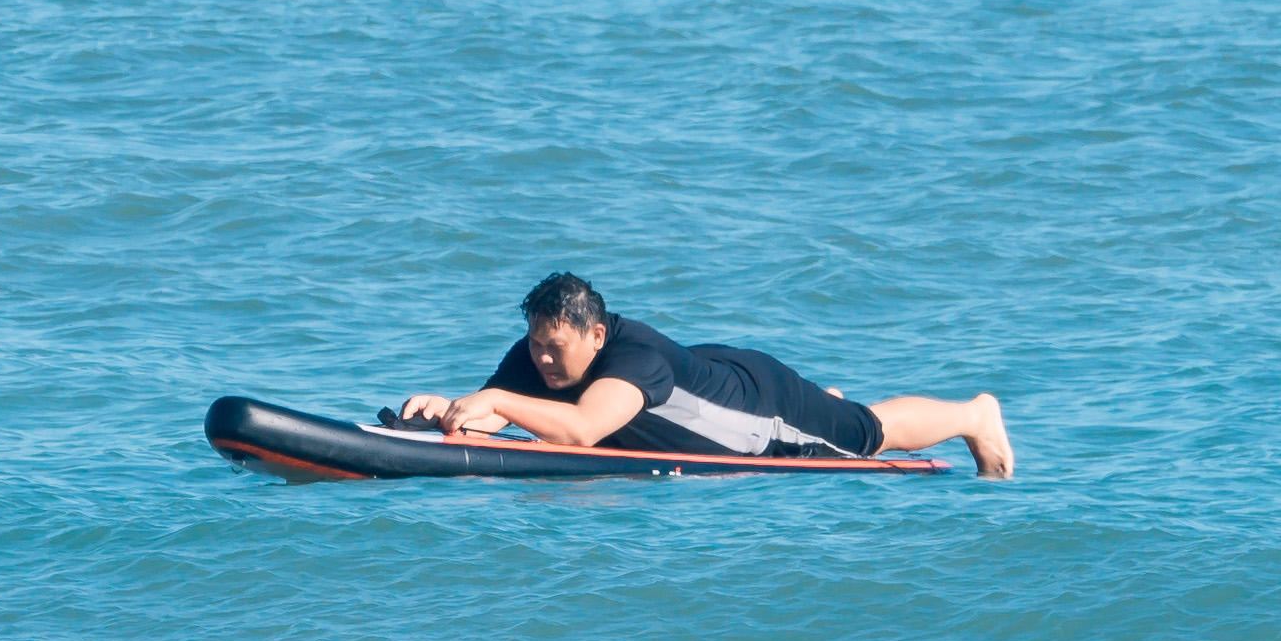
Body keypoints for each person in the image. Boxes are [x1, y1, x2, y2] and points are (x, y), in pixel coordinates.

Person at [399, 270, 1014, 478]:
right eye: (536, 345)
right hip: (708, 375)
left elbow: (584, 429)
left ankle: (973, 414)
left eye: (556, 347)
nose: (543, 360)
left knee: (865, 432)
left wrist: (499, 403)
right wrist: (449, 409)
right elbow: (492, 410)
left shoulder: (632, 359)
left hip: (762, 410)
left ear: (596, 335)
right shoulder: (537, 355)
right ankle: (822, 399)